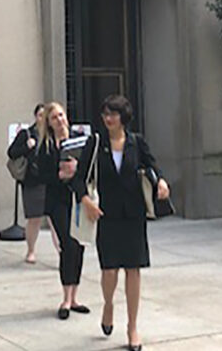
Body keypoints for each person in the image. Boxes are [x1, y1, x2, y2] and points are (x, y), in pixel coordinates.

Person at [73, 95, 170, 351]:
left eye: (113, 114)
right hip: (106, 215)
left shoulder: (136, 142)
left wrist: (161, 181)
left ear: (123, 117)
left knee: (133, 269)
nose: (108, 119)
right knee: (109, 270)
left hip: (133, 215)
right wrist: (86, 201)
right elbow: (78, 178)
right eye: (105, 114)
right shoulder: (95, 143)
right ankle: (108, 305)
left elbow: (153, 165)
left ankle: (132, 327)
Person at [35, 102, 90, 320]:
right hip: (58, 200)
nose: (59, 120)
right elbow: (41, 175)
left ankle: (75, 296)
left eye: (61, 115)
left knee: (79, 245)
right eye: (54, 118)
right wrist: (59, 174)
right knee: (67, 244)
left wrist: (76, 169)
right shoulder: (46, 147)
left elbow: (90, 167)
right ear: (48, 123)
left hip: (78, 198)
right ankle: (65, 298)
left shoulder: (80, 139)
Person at [7, 103, 59, 263]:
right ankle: (31, 250)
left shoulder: (53, 135)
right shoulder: (27, 134)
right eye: (40, 115)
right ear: (35, 117)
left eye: (46, 116)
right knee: (34, 219)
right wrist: (26, 147)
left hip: (50, 181)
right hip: (32, 181)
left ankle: (61, 253)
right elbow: (11, 152)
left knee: (55, 219)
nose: (42, 119)